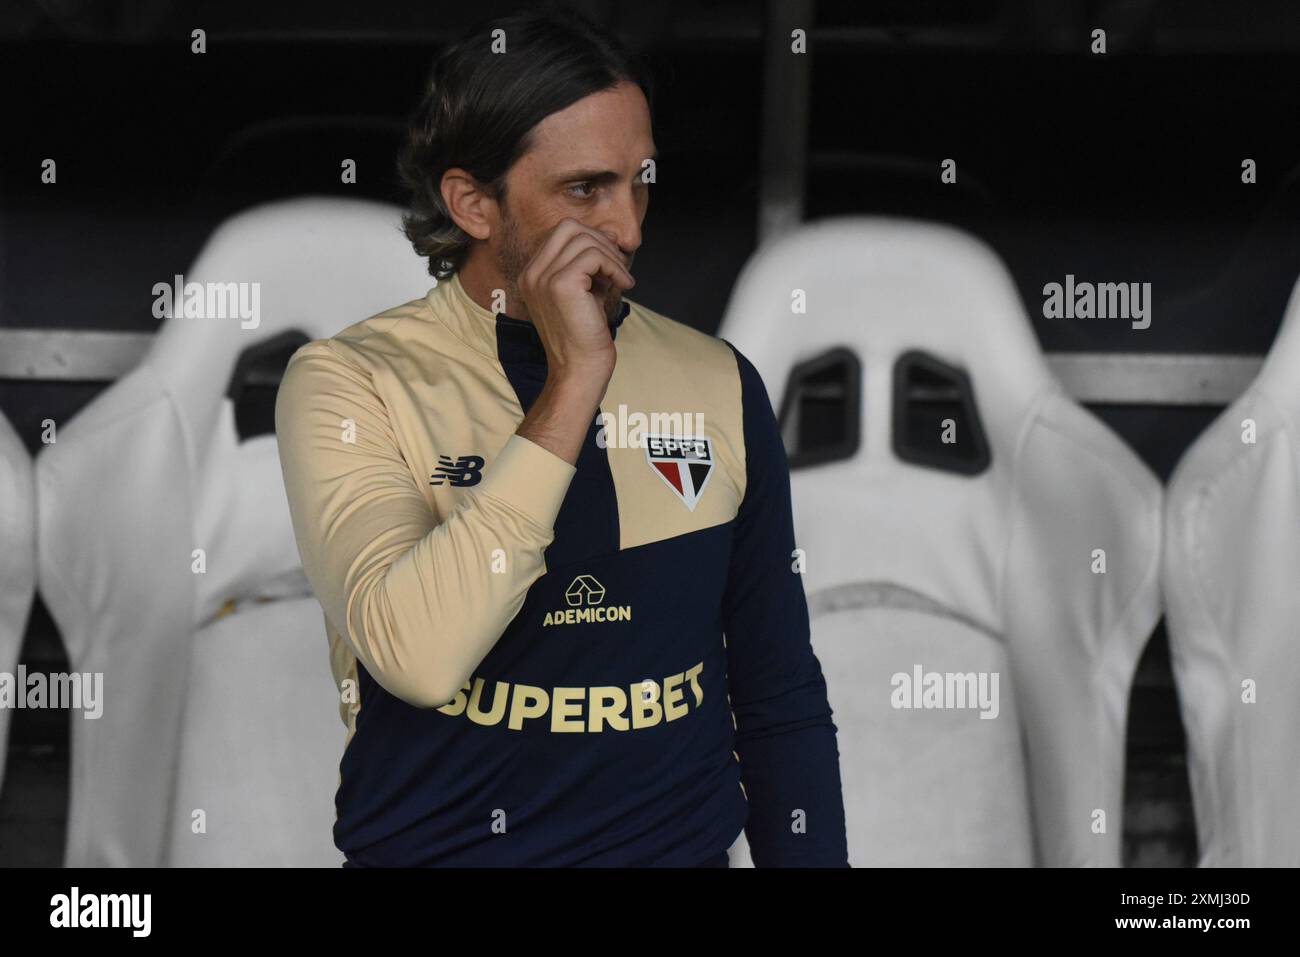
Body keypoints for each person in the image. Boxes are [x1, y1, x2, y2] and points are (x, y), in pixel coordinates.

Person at [274, 6, 848, 867]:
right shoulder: (352, 381)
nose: (630, 228)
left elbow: (780, 695)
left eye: (640, 180)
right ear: (471, 202)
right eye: (586, 189)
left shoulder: (718, 379)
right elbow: (418, 658)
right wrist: (576, 379)